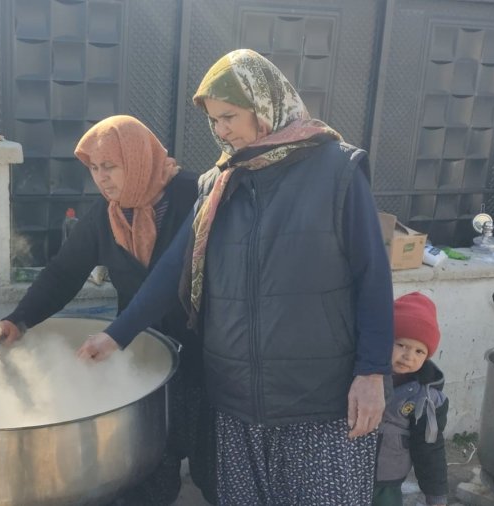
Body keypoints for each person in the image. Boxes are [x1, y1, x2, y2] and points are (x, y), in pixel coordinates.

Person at [77, 49, 395, 505]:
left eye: (229, 116)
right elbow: (173, 269)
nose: (221, 131)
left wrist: (372, 372)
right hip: (236, 402)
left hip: (317, 402)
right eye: (213, 120)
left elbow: (372, 277)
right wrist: (117, 335)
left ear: (265, 104)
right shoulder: (218, 183)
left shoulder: (336, 171)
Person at [0, 115, 214, 505]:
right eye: (95, 169)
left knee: (209, 460)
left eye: (110, 166)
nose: (102, 178)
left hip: (205, 352)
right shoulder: (107, 215)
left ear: (138, 157)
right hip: (142, 350)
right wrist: (18, 319)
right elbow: (63, 273)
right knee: (151, 462)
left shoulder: (195, 196)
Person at [374, 292, 448, 506]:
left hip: (386, 484)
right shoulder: (362, 378)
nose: (409, 356)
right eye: (401, 345)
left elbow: (430, 447)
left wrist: (436, 495)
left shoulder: (427, 399)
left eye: (419, 351)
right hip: (345, 473)